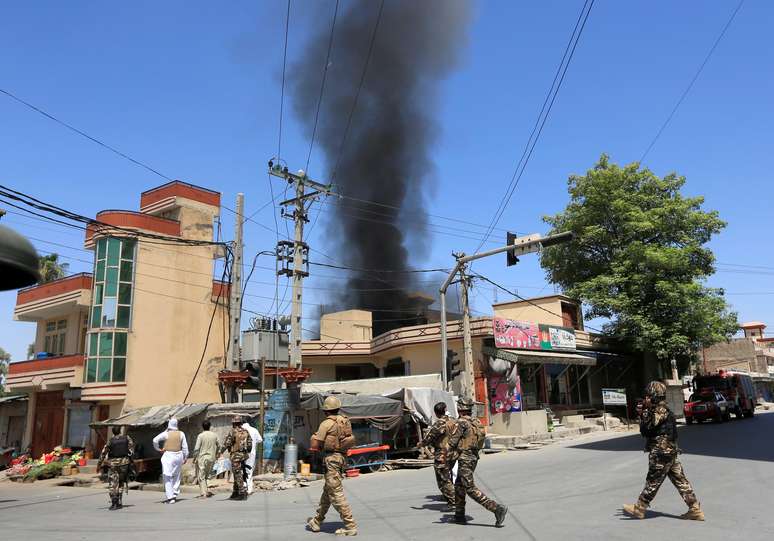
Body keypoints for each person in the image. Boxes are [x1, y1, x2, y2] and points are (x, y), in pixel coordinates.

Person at [623, 381, 704, 520]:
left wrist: (642, 414)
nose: (646, 399)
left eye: (648, 396)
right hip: (670, 452)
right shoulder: (664, 410)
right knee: (680, 481)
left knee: (653, 480)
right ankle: (694, 509)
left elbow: (647, 429)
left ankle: (639, 508)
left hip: (661, 452)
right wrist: (644, 412)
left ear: (653, 396)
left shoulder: (659, 410)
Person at [447, 397, 507, 527]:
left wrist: (447, 457)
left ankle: (496, 508)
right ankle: (459, 515)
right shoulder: (476, 421)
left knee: (469, 487)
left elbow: (452, 443)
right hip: (473, 458)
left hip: (464, 459)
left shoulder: (461, 423)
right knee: (459, 486)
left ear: (459, 408)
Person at [306, 396, 358, 536]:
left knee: (335, 494)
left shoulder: (326, 424)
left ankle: (350, 526)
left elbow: (316, 444)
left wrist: (314, 438)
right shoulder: (345, 421)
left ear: (326, 411)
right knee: (327, 493)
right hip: (341, 458)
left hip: (331, 460)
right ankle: (317, 521)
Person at [417, 401, 457, 509]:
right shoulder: (453, 421)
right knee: (449, 476)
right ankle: (453, 496)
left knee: (443, 479)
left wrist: (420, 444)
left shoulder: (439, 423)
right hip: (453, 453)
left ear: (436, 413)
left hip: (442, 453)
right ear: (445, 410)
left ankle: (453, 502)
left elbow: (429, 437)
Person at [97, 426, 135, 510]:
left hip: (113, 465)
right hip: (124, 464)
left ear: (113, 432)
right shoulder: (127, 438)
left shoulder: (110, 440)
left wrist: (99, 464)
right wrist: (131, 460)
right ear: (120, 431)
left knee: (113, 483)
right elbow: (131, 450)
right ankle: (119, 502)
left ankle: (114, 503)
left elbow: (103, 453)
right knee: (121, 482)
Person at [152, 418, 188, 504]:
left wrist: (158, 449)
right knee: (176, 476)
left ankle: (170, 498)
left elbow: (155, 440)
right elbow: (185, 447)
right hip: (179, 455)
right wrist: (185, 456)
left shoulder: (166, 434)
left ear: (169, 424)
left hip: (169, 455)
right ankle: (174, 494)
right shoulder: (181, 433)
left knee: (167, 476)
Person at [222, 415, 252, 501]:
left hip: (236, 456)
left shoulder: (233, 431)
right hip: (244, 456)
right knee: (236, 472)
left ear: (234, 423)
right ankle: (235, 492)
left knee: (237, 474)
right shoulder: (246, 431)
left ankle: (242, 493)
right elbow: (250, 445)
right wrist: (245, 452)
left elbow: (227, 444)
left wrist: (220, 452)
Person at [193, 419, 219, 498]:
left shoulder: (200, 436)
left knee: (201, 476)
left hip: (202, 458)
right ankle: (207, 491)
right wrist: (216, 453)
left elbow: (196, 448)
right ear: (209, 426)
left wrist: (194, 457)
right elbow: (219, 445)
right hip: (212, 458)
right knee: (207, 476)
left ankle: (204, 493)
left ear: (202, 427)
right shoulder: (214, 435)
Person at [242, 419, 263, 496]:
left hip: (242, 453)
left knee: (242, 470)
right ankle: (249, 488)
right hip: (252, 453)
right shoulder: (254, 430)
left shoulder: (241, 430)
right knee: (249, 470)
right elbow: (260, 440)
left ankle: (245, 486)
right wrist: (254, 442)